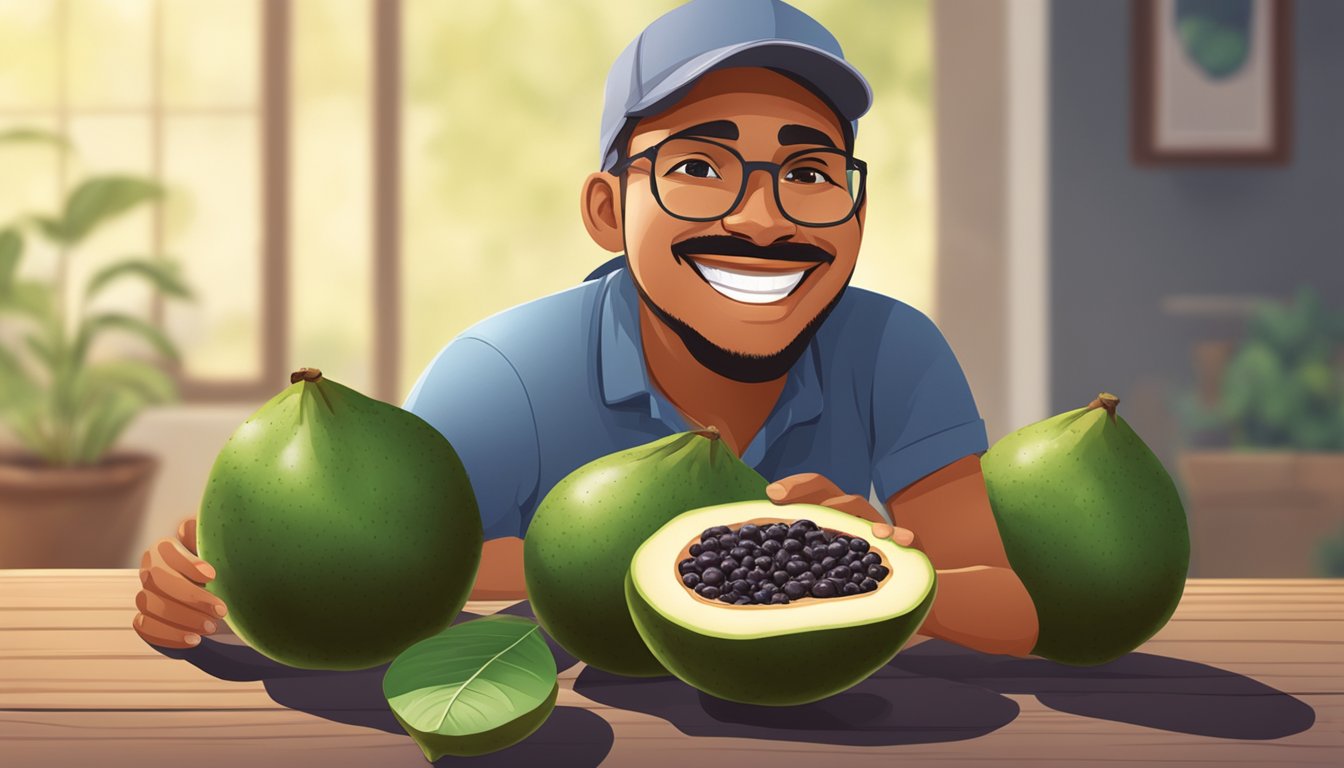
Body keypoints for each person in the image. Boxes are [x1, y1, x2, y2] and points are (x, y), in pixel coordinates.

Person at [133, 0, 1039, 659]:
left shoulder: (894, 351)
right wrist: (213, 586)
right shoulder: (500, 374)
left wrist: (864, 570)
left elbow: (1009, 606)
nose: (763, 219)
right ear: (608, 210)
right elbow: (386, 572)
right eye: (698, 165)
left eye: (809, 173)